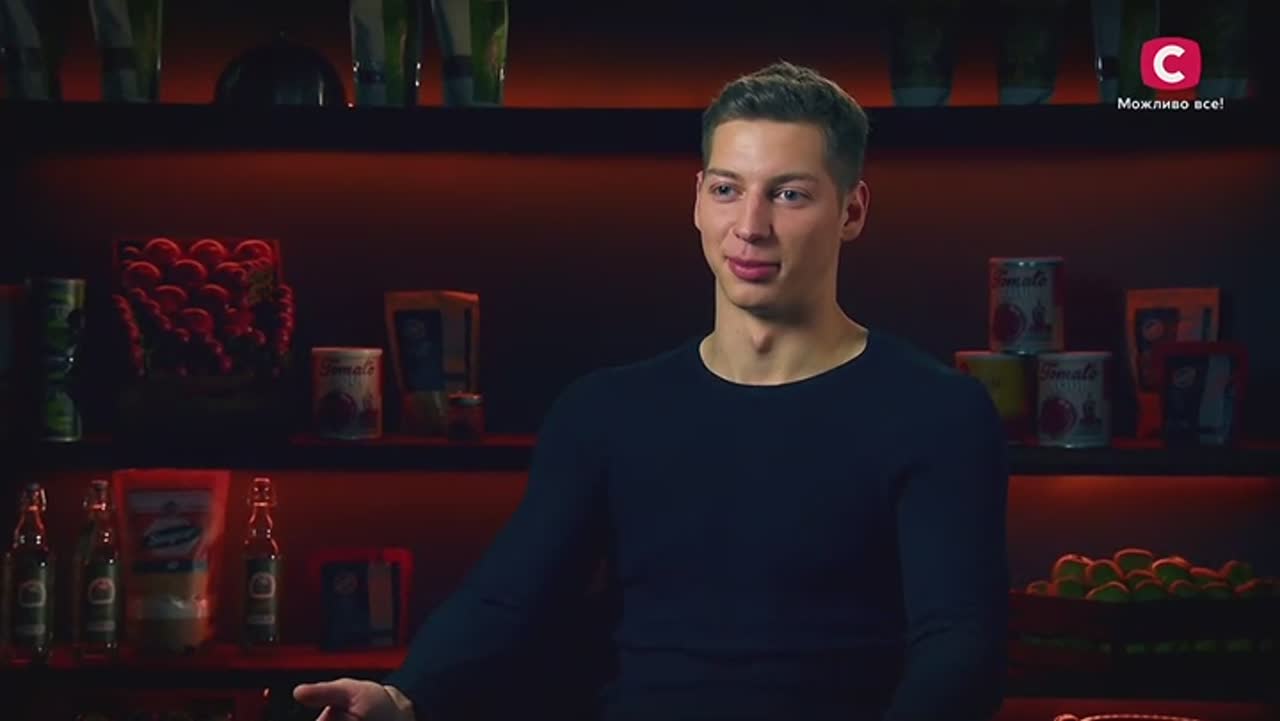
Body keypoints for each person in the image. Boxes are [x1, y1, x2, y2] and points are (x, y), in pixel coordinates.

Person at [294, 60, 1009, 721]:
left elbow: (958, 644)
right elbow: (509, 596)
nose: (750, 226)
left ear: (852, 211)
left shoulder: (935, 412)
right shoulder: (607, 413)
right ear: (697, 200)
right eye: (727, 189)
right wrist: (403, 695)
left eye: (789, 194)